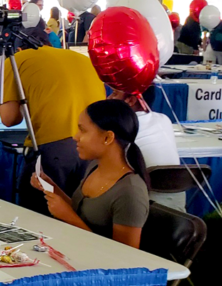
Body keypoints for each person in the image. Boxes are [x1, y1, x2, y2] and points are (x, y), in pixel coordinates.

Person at [0, 44, 107, 212]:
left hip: (53, 148)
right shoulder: (82, 59)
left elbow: (9, 119)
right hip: (95, 146)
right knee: (80, 212)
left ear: (19, 48)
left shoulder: (15, 60)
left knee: (38, 214)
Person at [32, 99, 150, 248]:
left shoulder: (130, 192)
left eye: (83, 130)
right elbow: (84, 212)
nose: (75, 136)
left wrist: (70, 218)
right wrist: (52, 187)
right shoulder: (94, 167)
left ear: (108, 138)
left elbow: (124, 258)